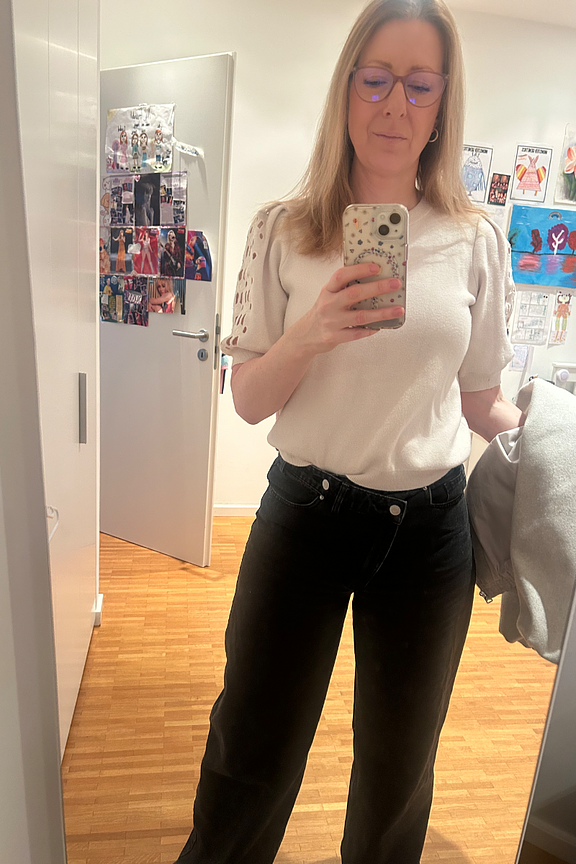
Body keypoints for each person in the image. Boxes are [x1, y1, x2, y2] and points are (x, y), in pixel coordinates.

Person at [174, 1, 523, 862]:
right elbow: (248, 399)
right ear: (345, 90)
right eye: (375, 79)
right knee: (251, 751)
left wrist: (554, 438)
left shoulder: (476, 239)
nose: (395, 104)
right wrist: (310, 334)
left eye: (419, 84)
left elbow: (482, 400)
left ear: (442, 104)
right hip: (305, 515)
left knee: (398, 773)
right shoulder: (284, 227)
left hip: (429, 534)